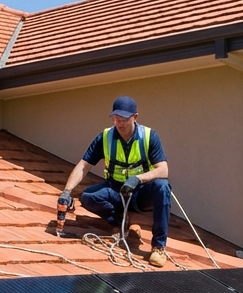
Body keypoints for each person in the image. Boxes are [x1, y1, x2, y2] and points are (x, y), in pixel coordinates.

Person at [58, 96, 172, 267]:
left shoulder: (149, 136)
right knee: (88, 197)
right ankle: (120, 223)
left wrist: (138, 179)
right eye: (116, 119)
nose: (119, 123)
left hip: (139, 192)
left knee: (162, 186)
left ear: (135, 117)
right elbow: (84, 165)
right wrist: (67, 191)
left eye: (124, 119)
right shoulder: (105, 137)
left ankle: (158, 247)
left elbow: (163, 170)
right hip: (116, 190)